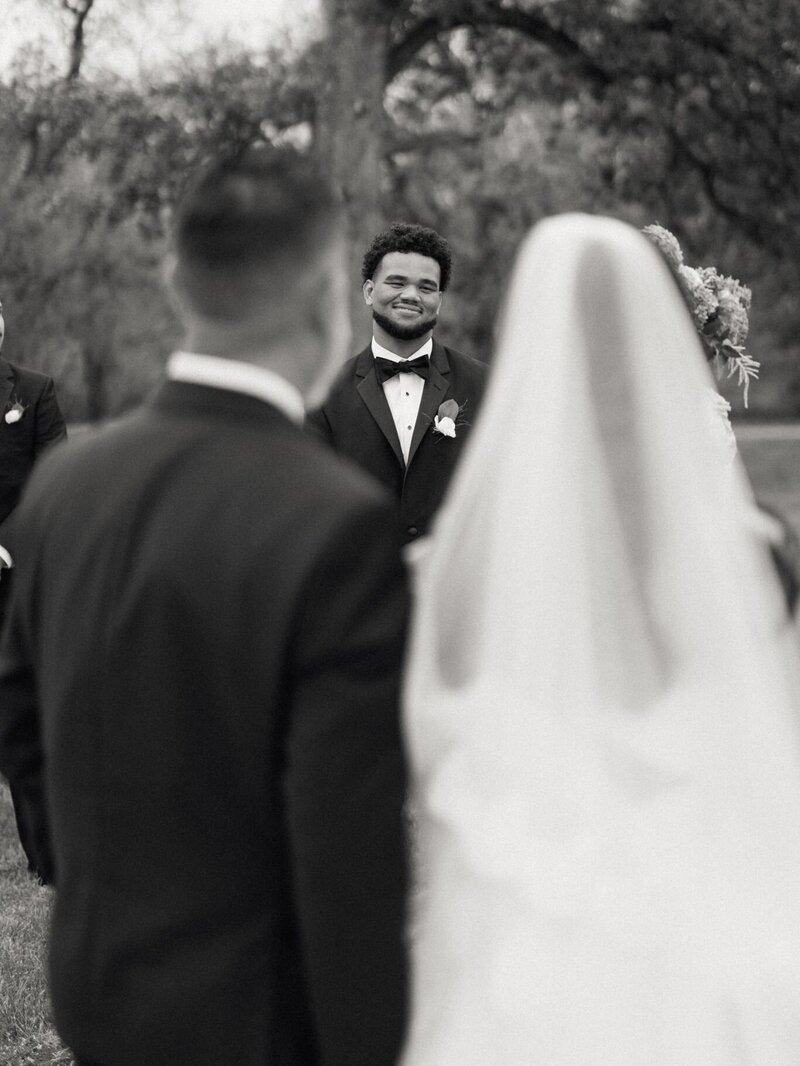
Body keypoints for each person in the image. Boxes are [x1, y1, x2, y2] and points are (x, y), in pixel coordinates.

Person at [0, 147, 410, 1066]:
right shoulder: (338, 523)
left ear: (175, 279)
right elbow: (347, 859)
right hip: (259, 1018)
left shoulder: (65, 484)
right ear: (323, 298)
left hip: (99, 985)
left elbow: (20, 726)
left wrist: (109, 895)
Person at [401, 215, 800, 1064]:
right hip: (699, 955)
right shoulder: (752, 558)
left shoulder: (453, 573)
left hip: (522, 957)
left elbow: (428, 750)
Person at [307, 222, 487, 544]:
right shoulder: (324, 393)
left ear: (440, 300)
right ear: (369, 291)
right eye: (397, 282)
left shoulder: (484, 386)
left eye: (426, 287)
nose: (411, 295)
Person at [0, 295, 67, 875]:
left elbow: (54, 476)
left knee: (22, 716)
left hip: (16, 579)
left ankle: (48, 856)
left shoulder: (35, 389)